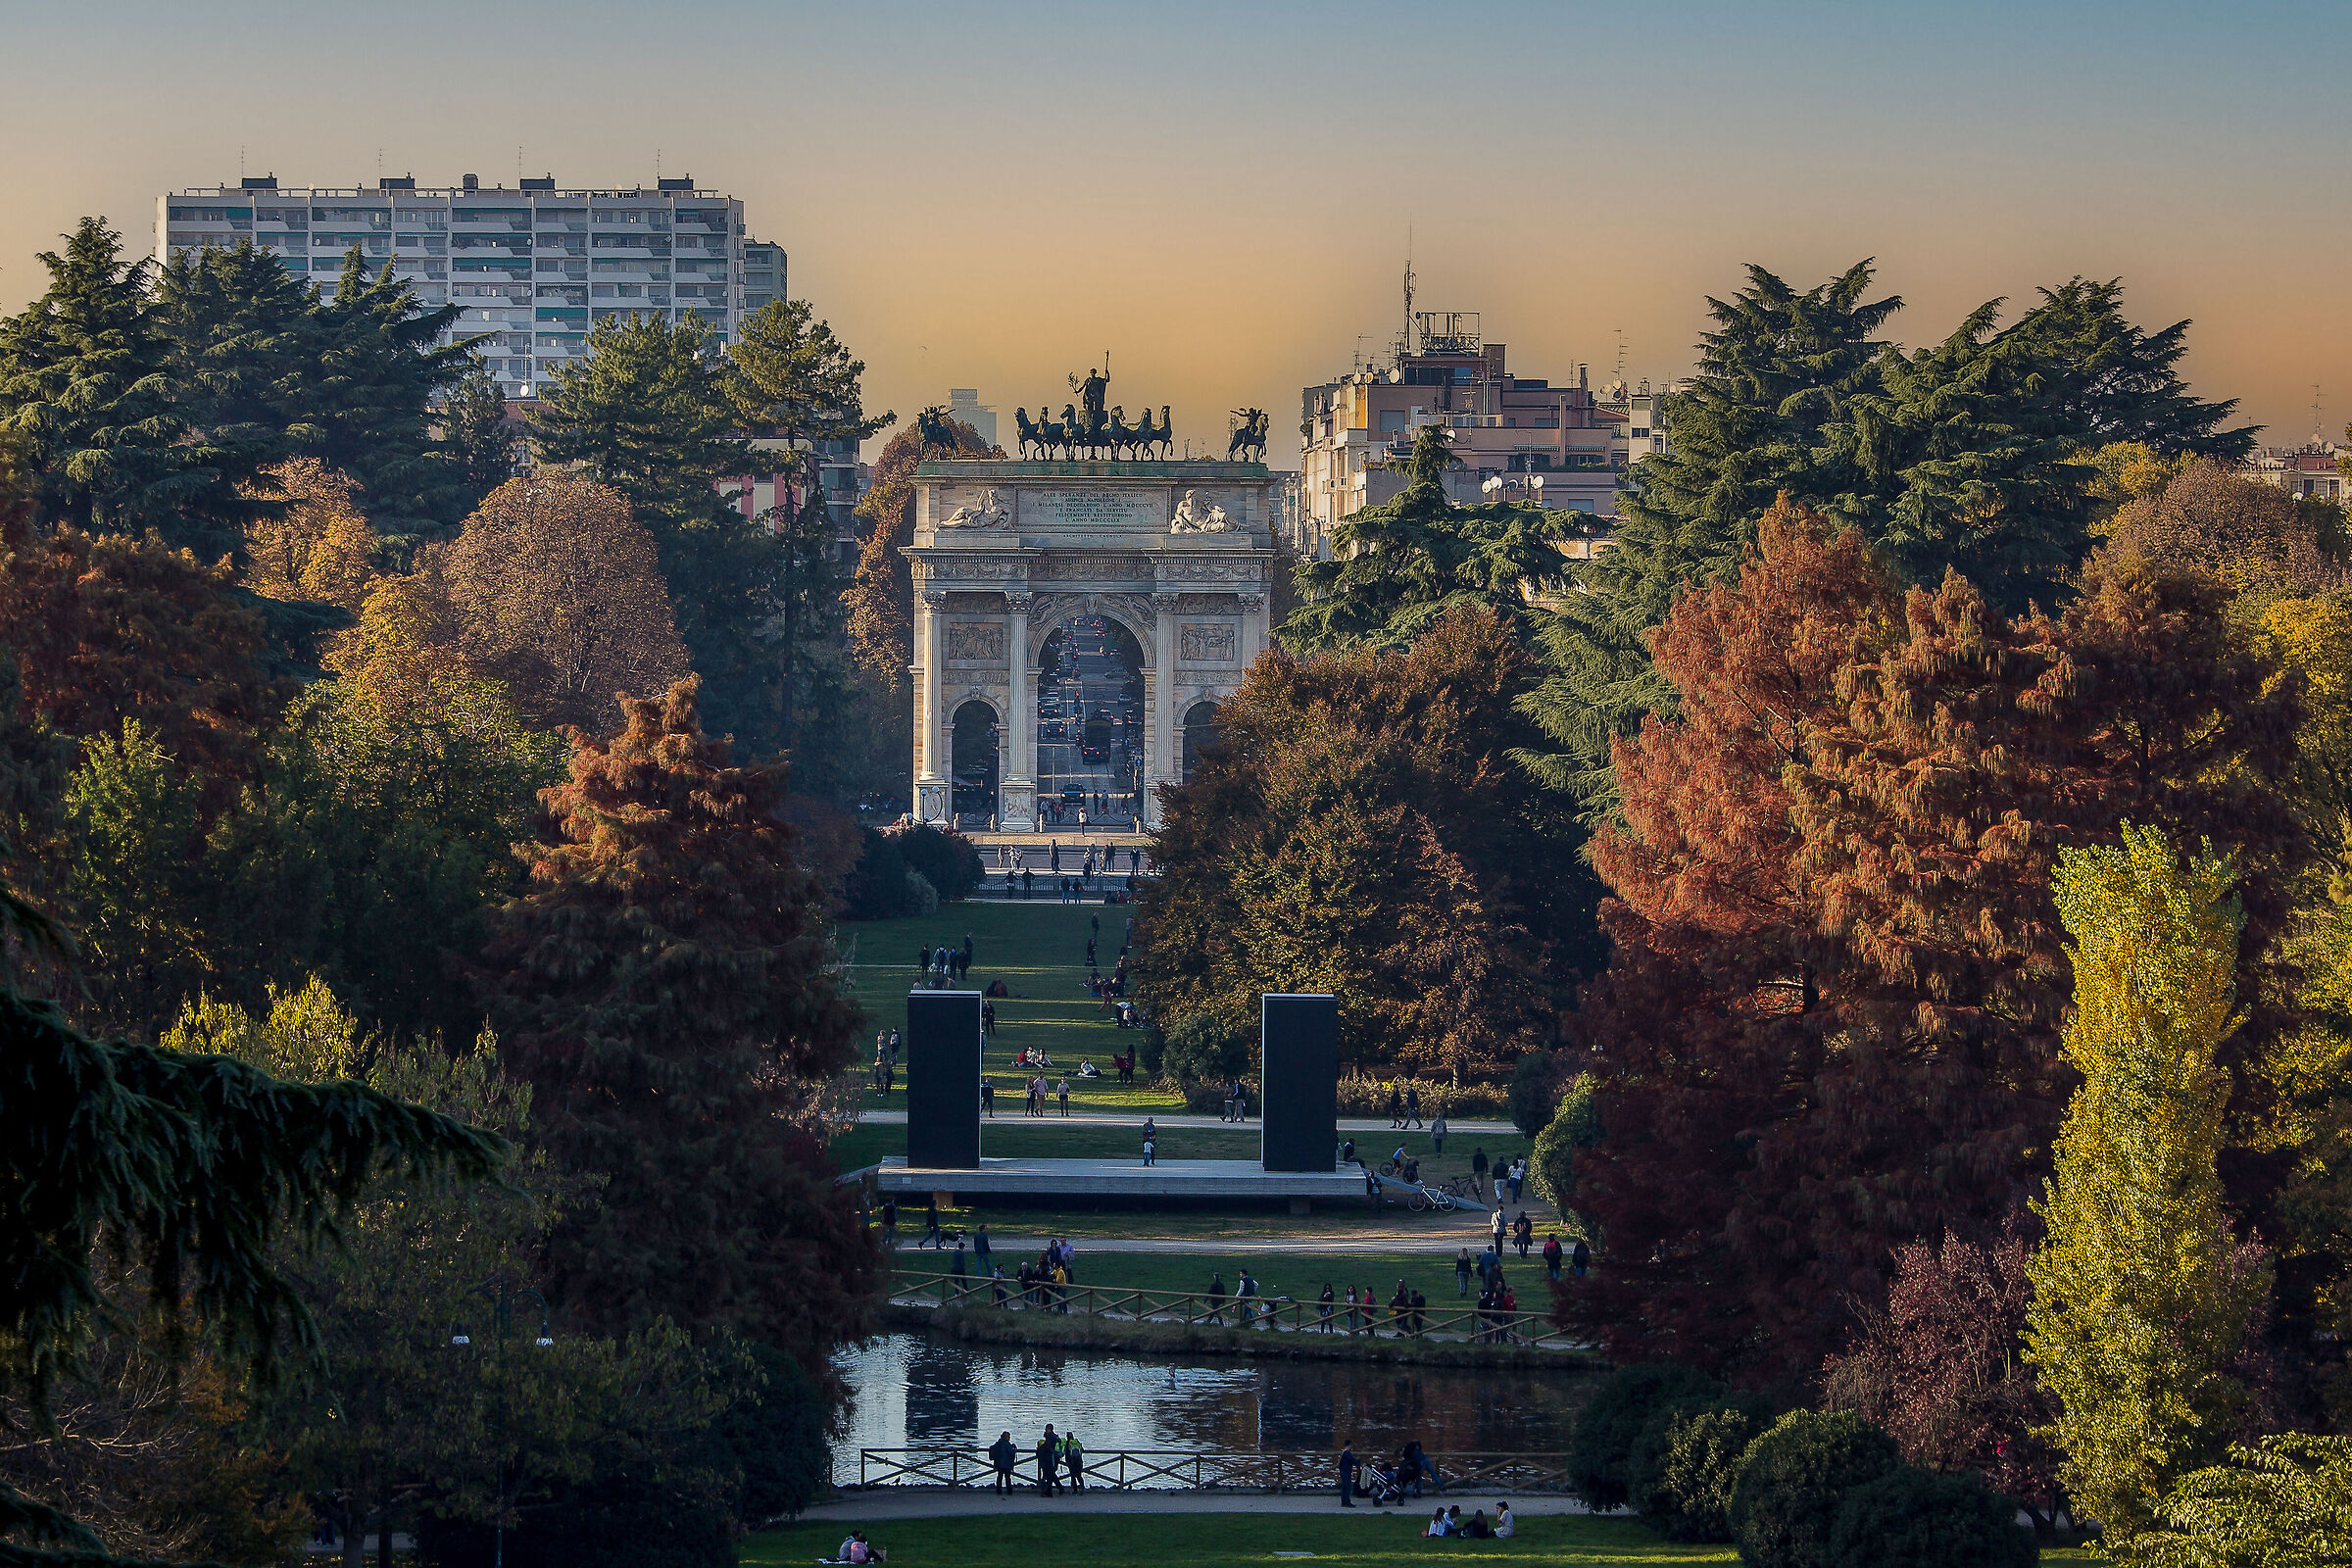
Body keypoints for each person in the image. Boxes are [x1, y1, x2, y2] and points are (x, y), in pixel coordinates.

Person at [990, 1430, 1018, 1495]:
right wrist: (1014, 1449)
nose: (1009, 1438)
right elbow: (1011, 1453)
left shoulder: (998, 1444)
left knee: (999, 1477)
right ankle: (1009, 1491)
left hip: (999, 1463)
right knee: (1007, 1478)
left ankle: (999, 1491)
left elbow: (992, 1448)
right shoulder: (1007, 1444)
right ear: (1007, 1437)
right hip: (1007, 1463)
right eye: (1009, 1437)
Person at [1035, 1425, 1059, 1494]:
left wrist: (1040, 1450)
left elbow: (1047, 1446)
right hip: (1054, 1459)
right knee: (1051, 1475)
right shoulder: (1055, 1436)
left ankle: (1048, 1492)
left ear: (1048, 1429)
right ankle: (1059, 1488)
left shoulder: (1050, 1436)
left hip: (1049, 1459)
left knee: (1048, 1476)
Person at [1338, 1439, 1357, 1507]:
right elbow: (1353, 1460)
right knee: (1348, 1487)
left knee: (1345, 1487)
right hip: (1346, 1471)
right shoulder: (1347, 1453)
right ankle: (1346, 1501)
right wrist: (1360, 1464)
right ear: (1349, 1445)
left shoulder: (1343, 1452)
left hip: (1343, 1471)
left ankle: (1344, 1501)